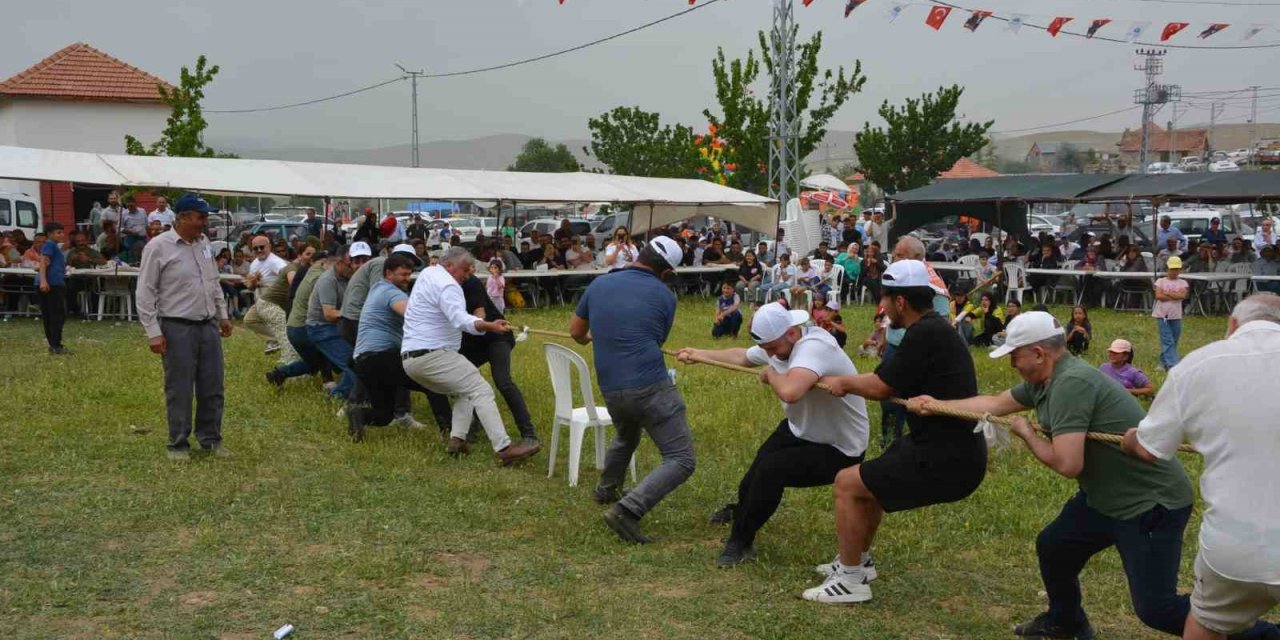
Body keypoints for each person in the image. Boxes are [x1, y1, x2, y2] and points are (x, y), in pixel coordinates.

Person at [919, 310, 1260, 640]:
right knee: (1055, 546)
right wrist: (935, 404)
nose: (1012, 365)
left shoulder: (1071, 384)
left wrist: (1028, 435)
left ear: (1038, 353)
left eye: (1015, 356)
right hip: (1105, 498)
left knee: (1157, 609)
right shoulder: (1045, 380)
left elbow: (1068, 464)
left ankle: (1265, 634)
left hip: (1150, 504)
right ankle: (1065, 621)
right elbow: (994, 404)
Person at [802, 260, 986, 604]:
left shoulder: (925, 333)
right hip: (941, 444)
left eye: (884, 300)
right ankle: (858, 560)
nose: (882, 308)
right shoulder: (932, 328)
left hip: (947, 456)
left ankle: (850, 582)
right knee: (870, 485)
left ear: (900, 301)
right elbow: (888, 377)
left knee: (846, 483)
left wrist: (842, 382)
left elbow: (880, 386)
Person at [1123, 294, 1280, 640]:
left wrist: (1130, 439)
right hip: (1239, 543)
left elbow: (1148, 450)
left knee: (1205, 624)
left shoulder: (1197, 364)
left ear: (1233, 325)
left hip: (1236, 546)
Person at [677, 302, 870, 567]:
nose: (769, 354)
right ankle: (741, 510)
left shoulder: (815, 347)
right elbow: (742, 357)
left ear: (791, 332)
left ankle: (740, 542)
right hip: (801, 429)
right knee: (754, 474)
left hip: (841, 447)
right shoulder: (779, 343)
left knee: (771, 471)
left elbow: (790, 391)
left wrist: (771, 374)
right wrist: (698, 353)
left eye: (772, 348)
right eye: (766, 349)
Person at [569, 236, 695, 544]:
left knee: (627, 436)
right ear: (667, 272)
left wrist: (594, 338)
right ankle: (627, 511)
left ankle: (606, 490)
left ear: (641, 253)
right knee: (681, 458)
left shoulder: (599, 284)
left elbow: (576, 332)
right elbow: (658, 339)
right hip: (650, 385)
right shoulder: (665, 296)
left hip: (612, 388)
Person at [401, 247, 539, 464]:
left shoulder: (428, 273)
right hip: (432, 354)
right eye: (465, 269)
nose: (468, 274)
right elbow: (460, 320)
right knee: (481, 389)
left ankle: (456, 440)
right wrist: (490, 326)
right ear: (449, 265)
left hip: (411, 359)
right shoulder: (448, 285)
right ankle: (504, 448)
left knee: (465, 389)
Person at [135, 193, 233, 461]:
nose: (205, 222)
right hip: (177, 326)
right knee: (179, 387)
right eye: (201, 217)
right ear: (183, 217)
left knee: (213, 385)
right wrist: (153, 332)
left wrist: (222, 314)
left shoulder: (204, 244)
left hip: (207, 325)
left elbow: (212, 281)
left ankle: (210, 439)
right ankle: (178, 443)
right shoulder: (158, 247)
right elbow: (145, 291)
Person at [346, 253, 453, 442]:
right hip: (380, 357)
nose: (407, 278)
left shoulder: (377, 288)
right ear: (388, 273)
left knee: (385, 415)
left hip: (363, 361)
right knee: (432, 383)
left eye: (409, 274)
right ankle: (451, 433)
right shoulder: (391, 293)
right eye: (403, 274)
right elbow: (411, 314)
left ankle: (359, 414)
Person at [459, 261, 539, 446]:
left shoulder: (471, 282)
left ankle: (529, 433)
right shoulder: (444, 286)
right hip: (471, 341)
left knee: (503, 381)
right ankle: (472, 424)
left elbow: (480, 315)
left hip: (497, 335)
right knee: (461, 380)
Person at [307, 242, 370, 401]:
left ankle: (351, 395)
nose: (356, 267)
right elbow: (329, 314)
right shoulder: (327, 280)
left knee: (361, 360)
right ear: (340, 262)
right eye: (352, 263)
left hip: (340, 326)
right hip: (321, 328)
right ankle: (338, 397)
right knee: (355, 363)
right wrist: (358, 315)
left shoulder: (353, 278)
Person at [242, 235, 291, 357]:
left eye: (262, 247)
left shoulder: (275, 261)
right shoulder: (254, 263)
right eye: (255, 248)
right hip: (261, 298)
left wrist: (265, 284)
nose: (259, 250)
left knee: (278, 324)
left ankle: (287, 353)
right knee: (250, 320)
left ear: (269, 247)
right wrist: (253, 282)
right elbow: (251, 287)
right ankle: (275, 339)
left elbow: (288, 275)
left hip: (274, 298)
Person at [37, 223, 69, 355]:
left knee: (51, 315)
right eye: (58, 232)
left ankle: (53, 344)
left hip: (53, 283)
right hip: (52, 284)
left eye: (62, 232)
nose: (61, 235)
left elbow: (42, 263)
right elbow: (43, 263)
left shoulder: (53, 247)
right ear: (49, 234)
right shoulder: (50, 245)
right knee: (56, 315)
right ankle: (56, 344)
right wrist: (43, 281)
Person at [1154, 256, 1190, 370]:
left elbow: (1182, 296)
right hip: (1162, 315)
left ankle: (1163, 362)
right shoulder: (1161, 281)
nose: (1174, 272)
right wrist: (1175, 296)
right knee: (1167, 339)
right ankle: (1173, 364)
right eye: (1172, 269)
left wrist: (1167, 293)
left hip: (1176, 315)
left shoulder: (1183, 283)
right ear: (1167, 268)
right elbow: (1158, 296)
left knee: (1174, 339)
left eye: (1177, 269)